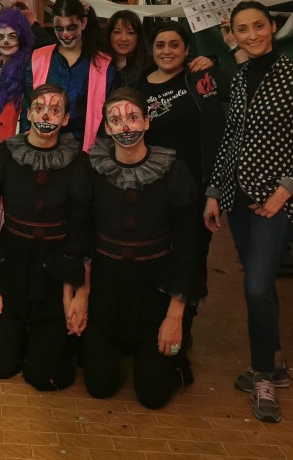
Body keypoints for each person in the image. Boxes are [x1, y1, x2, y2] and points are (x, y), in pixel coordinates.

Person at [204, 1, 293, 423]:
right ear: (234, 35)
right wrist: (214, 191)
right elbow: (231, 140)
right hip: (239, 200)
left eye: (259, 26)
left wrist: (284, 193)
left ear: (273, 27)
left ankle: (262, 377)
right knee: (257, 284)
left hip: (276, 203)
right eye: (242, 29)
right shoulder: (240, 78)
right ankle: (272, 360)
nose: (252, 35)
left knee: (257, 287)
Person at [69, 89, 199, 409]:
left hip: (154, 293)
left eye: (132, 117)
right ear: (107, 127)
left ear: (147, 122)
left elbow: (188, 248)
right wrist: (82, 293)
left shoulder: (174, 172)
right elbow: (82, 237)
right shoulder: (92, 170)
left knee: (152, 396)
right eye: (116, 120)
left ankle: (166, 357)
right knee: (98, 387)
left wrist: (175, 316)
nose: (125, 126)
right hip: (107, 291)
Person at [0, 84, 81, 391]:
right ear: (29, 113)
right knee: (1, 367)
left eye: (55, 110)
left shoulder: (79, 164)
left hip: (53, 276)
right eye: (39, 108)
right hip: (11, 270)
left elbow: (78, 234)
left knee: (45, 378)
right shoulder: (0, 156)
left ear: (65, 118)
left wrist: (70, 294)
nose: (46, 115)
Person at [137, 22, 229, 346]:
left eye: (174, 45)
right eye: (160, 45)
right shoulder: (138, 85)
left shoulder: (200, 78)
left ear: (187, 50)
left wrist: (216, 60)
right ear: (152, 50)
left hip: (195, 189)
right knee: (154, 255)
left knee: (191, 256)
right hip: (151, 188)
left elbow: (239, 88)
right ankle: (152, 324)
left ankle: (181, 327)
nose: (167, 51)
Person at [24, 0, 114, 151]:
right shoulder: (37, 58)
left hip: (86, 150)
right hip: (42, 148)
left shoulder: (103, 64)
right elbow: (27, 105)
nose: (65, 35)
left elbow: (109, 114)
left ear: (83, 23)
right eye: (59, 29)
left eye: (71, 27)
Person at [0, 8, 34, 143]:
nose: (5, 41)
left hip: (15, 140)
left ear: (21, 39)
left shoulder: (29, 69)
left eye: (12, 36)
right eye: (0, 37)